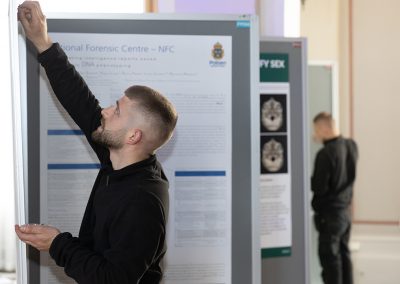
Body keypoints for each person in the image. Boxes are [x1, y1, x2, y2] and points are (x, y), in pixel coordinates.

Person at [15, 1, 178, 283]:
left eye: (116, 111)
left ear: (133, 136)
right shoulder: (119, 157)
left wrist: (56, 243)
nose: (104, 111)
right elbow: (81, 102)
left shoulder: (143, 201)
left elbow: (113, 279)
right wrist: (43, 43)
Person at [311, 112, 358, 284]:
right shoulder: (352, 146)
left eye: (315, 130)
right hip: (345, 214)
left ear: (324, 128)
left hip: (329, 217)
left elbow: (319, 187)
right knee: (344, 257)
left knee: (331, 262)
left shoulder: (325, 154)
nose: (314, 135)